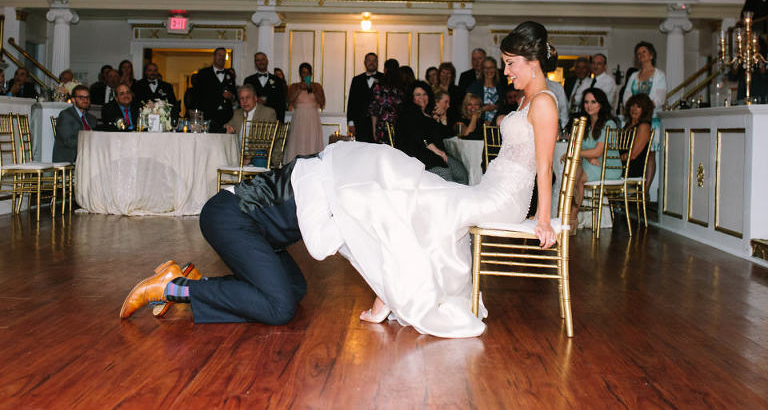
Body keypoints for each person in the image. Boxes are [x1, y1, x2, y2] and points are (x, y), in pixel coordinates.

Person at [120, 22, 559, 339]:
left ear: (533, 60)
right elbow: (369, 234)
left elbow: (544, 166)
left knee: (294, 289)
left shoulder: (541, 103)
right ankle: (174, 288)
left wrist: (545, 216)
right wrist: (384, 294)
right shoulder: (337, 179)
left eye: (511, 63)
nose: (506, 71)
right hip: (228, 216)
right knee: (279, 307)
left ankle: (188, 278)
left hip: (256, 226)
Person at [566, 87, 620, 232]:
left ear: (601, 104)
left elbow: (597, 151)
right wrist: (588, 157)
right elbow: (587, 150)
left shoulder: (609, 123)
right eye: (586, 102)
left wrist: (584, 155)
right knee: (574, 170)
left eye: (593, 102)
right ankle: (571, 218)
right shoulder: (586, 123)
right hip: (592, 163)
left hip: (608, 167)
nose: (589, 105)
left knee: (576, 176)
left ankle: (571, 217)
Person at [395, 81, 468, 184]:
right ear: (411, 97)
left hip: (434, 153)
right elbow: (419, 135)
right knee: (445, 173)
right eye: (418, 95)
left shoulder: (427, 113)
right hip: (418, 153)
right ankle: (448, 197)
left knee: (461, 173)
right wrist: (437, 151)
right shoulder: (410, 113)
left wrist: (442, 118)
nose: (422, 97)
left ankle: (460, 198)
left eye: (425, 94)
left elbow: (444, 135)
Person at [622, 42, 666, 187]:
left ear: (651, 55)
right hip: (634, 119)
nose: (641, 55)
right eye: (639, 53)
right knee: (631, 150)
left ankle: (646, 189)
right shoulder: (634, 75)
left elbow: (659, 98)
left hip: (650, 119)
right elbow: (627, 95)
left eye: (644, 52)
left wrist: (644, 108)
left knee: (650, 154)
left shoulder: (659, 75)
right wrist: (633, 108)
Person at [284, 63, 325, 162]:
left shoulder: (317, 86)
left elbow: (322, 102)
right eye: (303, 73)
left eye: (307, 73)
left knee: (312, 141)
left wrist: (312, 89)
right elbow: (289, 100)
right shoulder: (294, 86)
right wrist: (299, 89)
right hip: (299, 117)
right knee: (297, 141)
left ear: (311, 74)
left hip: (312, 117)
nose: (305, 75)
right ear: (300, 74)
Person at [193, 47, 236, 132]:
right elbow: (197, 95)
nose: (221, 58)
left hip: (226, 117)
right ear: (214, 56)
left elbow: (234, 94)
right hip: (208, 116)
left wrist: (231, 96)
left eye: (224, 56)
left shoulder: (230, 75)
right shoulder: (203, 73)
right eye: (219, 55)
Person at [53, 85, 97, 162]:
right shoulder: (66, 115)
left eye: (87, 97)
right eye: (81, 97)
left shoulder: (92, 118)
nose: (85, 100)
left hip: (88, 155)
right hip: (70, 157)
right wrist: (88, 143)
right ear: (73, 100)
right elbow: (68, 141)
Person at [346, 52, 383, 142]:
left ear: (377, 63)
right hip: (360, 123)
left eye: (374, 61)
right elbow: (352, 102)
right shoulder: (356, 79)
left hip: (379, 124)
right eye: (369, 60)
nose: (371, 63)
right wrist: (351, 123)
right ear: (365, 62)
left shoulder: (383, 78)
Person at [369, 58, 404, 144]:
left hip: (383, 125)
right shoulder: (402, 88)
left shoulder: (379, 87)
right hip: (400, 125)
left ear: (385, 70)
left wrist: (374, 129)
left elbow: (374, 111)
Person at [243, 52, 285, 122]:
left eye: (263, 59)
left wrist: (280, 122)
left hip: (272, 118)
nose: (260, 62)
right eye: (258, 60)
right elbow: (244, 100)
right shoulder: (248, 80)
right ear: (255, 63)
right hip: (253, 119)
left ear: (267, 61)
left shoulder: (277, 80)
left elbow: (281, 103)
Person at [621, 94, 653, 181]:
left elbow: (633, 155)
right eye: (632, 105)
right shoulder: (627, 125)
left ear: (645, 109)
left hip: (631, 169)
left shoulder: (644, 126)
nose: (634, 109)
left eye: (638, 106)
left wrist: (614, 160)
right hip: (620, 166)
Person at [468, 56, 505, 124]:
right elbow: (466, 109)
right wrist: (483, 109)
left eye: (491, 67)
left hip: (497, 127)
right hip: (478, 126)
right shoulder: (475, 87)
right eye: (486, 68)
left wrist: (497, 107)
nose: (489, 70)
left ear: (495, 69)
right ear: (482, 70)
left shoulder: (501, 87)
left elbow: (505, 108)